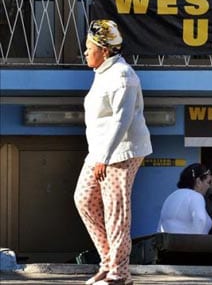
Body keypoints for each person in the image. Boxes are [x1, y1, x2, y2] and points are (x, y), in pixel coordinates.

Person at [74, 19, 153, 285]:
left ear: (104, 50)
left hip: (121, 151)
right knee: (83, 200)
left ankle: (119, 274)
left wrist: (104, 159)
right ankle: (108, 262)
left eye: (89, 47)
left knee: (115, 210)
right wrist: (98, 155)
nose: (85, 52)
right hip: (99, 151)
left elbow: (123, 120)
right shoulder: (103, 73)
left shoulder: (123, 76)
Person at [157, 163, 212, 234]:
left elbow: (160, 226)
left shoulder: (171, 197)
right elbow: (200, 219)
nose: (209, 186)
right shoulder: (196, 196)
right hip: (189, 244)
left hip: (169, 243)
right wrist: (198, 242)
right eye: (208, 182)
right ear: (198, 182)